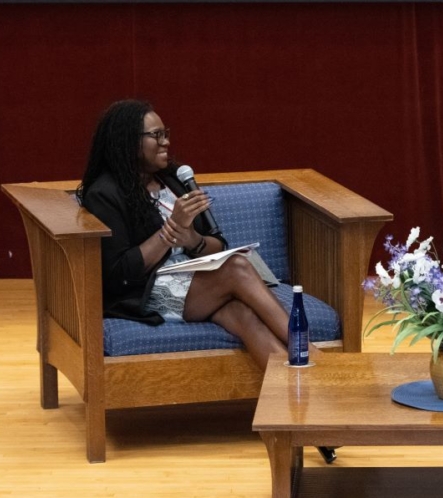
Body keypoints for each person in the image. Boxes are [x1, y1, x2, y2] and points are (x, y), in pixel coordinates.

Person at [77, 99, 336, 463]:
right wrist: (170, 231)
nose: (166, 142)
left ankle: (305, 417)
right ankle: (317, 359)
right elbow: (122, 271)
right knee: (237, 269)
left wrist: (193, 241)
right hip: (149, 291)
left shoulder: (171, 181)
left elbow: (217, 242)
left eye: (165, 133)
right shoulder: (104, 194)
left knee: (244, 315)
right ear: (128, 142)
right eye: (155, 135)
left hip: (195, 281)